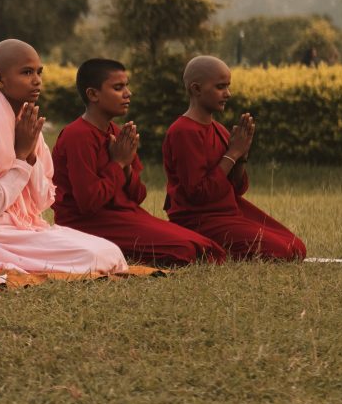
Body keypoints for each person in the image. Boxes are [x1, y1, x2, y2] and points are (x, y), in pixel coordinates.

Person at [0, 41, 129, 274]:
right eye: (27, 72)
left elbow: (43, 200)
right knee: (94, 257)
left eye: (39, 72)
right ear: (0, 79)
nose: (37, 80)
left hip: (25, 225)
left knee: (109, 251)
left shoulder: (27, 125)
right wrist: (22, 158)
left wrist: (30, 153)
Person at [51, 59, 226, 266]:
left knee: (204, 245)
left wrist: (125, 169)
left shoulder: (118, 133)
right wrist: (118, 163)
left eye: (127, 85)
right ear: (93, 94)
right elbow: (88, 202)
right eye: (118, 87)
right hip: (87, 224)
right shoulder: (77, 136)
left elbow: (138, 195)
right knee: (186, 250)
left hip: (124, 216)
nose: (128, 93)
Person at [162, 55, 306, 260]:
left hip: (228, 210)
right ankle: (204, 243)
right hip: (198, 219)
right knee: (281, 252)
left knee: (296, 247)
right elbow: (197, 193)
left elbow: (236, 188)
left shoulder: (218, 129)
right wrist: (232, 153)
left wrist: (241, 156)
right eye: (220, 87)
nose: (227, 94)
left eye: (228, 86)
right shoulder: (183, 132)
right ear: (196, 89)